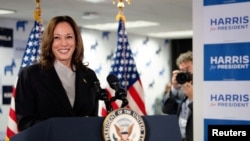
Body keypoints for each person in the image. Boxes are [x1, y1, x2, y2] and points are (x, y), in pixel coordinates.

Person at [15, 15, 99, 131]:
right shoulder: (31, 75)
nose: (63, 43)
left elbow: (92, 119)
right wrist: (59, 128)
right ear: (49, 41)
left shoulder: (89, 75)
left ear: (76, 41)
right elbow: (25, 123)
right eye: (57, 38)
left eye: (69, 37)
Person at [162, 51, 193, 141]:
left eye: (187, 69)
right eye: (182, 70)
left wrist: (192, 98)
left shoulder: (204, 89)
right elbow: (167, 110)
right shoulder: (180, 91)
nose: (184, 73)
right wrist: (174, 88)